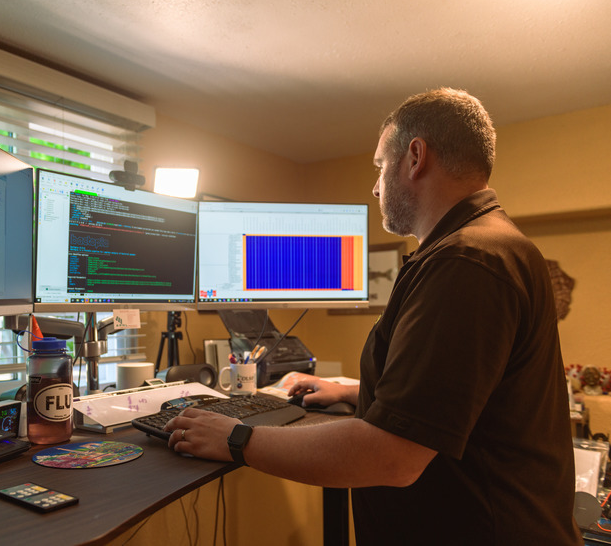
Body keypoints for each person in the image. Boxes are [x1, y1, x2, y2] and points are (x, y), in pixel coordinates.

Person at [163, 88, 581, 545]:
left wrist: (235, 438)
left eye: (381, 166)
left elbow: (392, 457)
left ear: (415, 157)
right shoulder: (494, 245)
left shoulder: (466, 261)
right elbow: (468, 394)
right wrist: (356, 389)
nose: (377, 186)